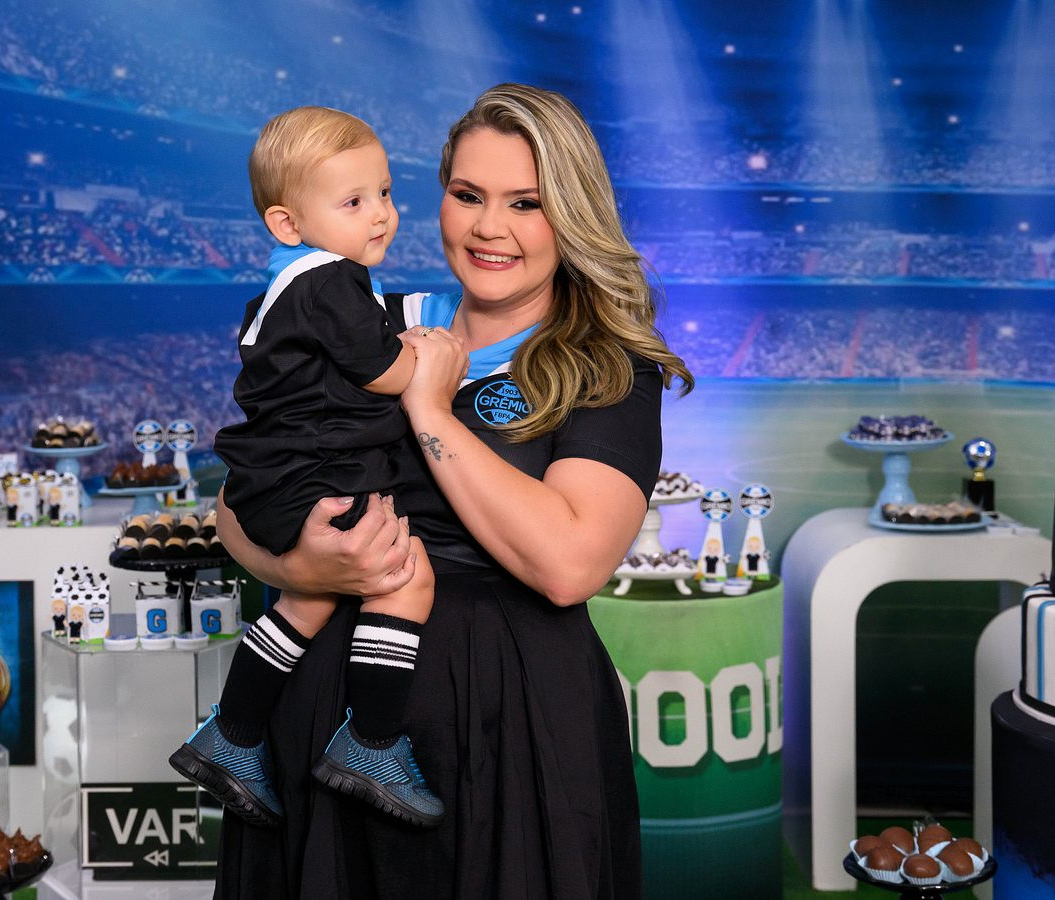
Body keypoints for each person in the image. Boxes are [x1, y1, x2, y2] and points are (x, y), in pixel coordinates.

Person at [209, 83, 693, 899]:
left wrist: (431, 409)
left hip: (510, 719)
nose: (488, 227)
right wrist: (300, 569)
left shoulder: (606, 365)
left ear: (571, 213)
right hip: (321, 707)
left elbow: (570, 565)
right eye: (468, 195)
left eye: (525, 203)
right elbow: (238, 498)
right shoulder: (363, 317)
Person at [171, 106, 445, 831]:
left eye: (384, 193)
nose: (381, 214)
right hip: (320, 468)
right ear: (288, 223)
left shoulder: (289, 282)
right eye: (354, 202)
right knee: (406, 577)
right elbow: (386, 371)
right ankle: (372, 742)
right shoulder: (330, 281)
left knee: (308, 599)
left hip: (279, 476)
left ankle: (232, 733)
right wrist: (431, 359)